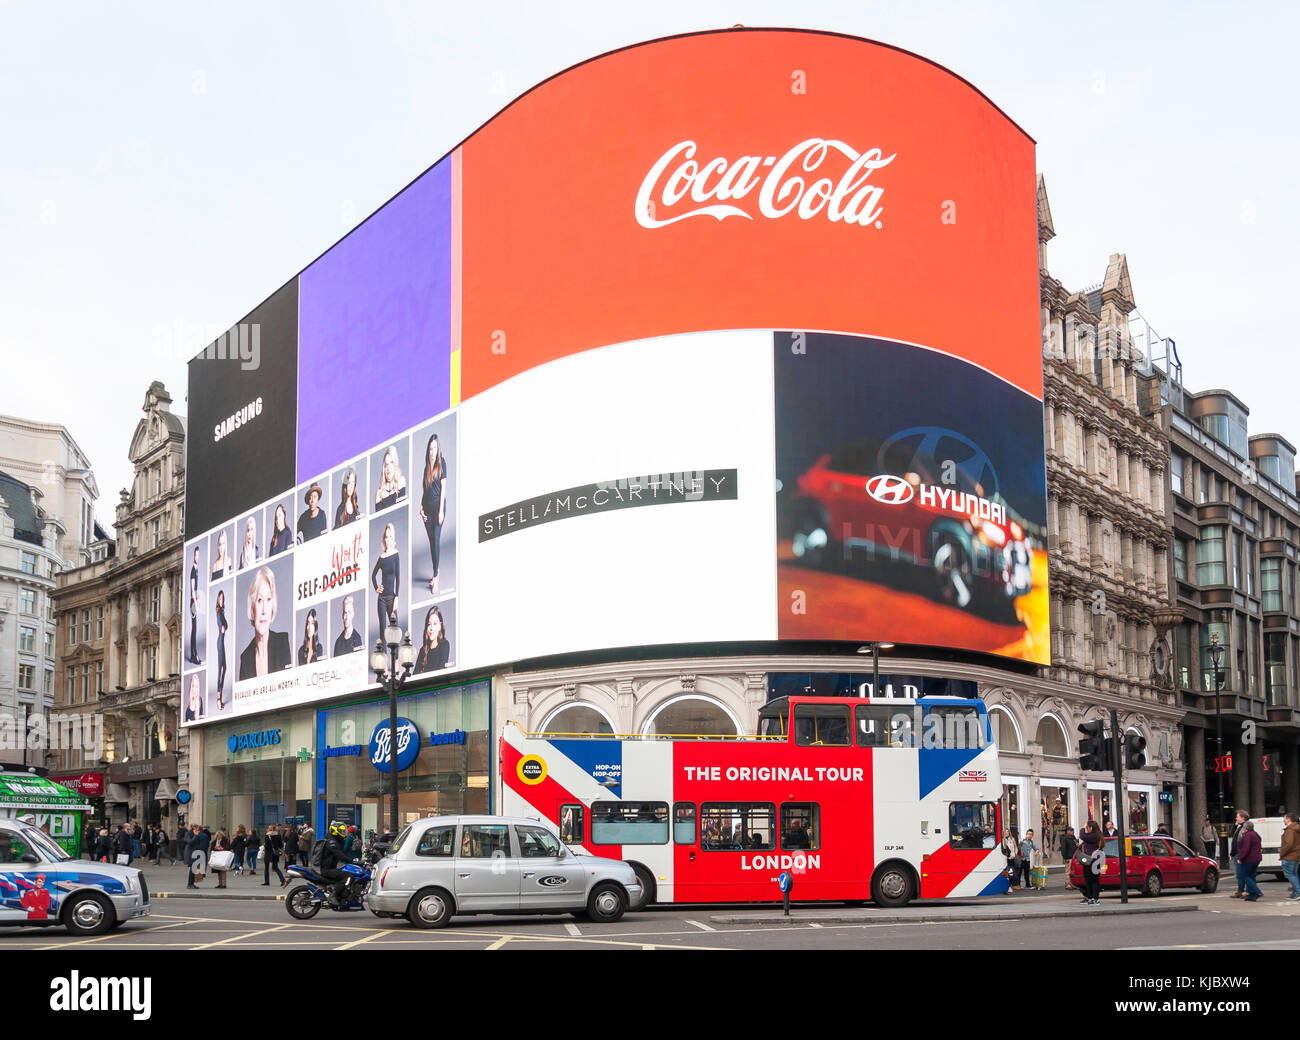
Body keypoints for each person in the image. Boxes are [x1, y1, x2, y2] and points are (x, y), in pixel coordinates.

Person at [238, 566, 292, 680]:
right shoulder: (245, 658)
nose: (264, 610)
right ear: (252, 607)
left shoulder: (282, 643)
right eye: (259, 600)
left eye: (268, 599)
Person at [418, 434, 448, 594]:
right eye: (430, 448)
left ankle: (436, 577)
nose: (432, 451)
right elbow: (425, 491)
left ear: (438, 449)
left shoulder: (441, 463)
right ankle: (435, 571)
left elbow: (443, 488)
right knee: (431, 543)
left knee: (435, 541)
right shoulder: (426, 469)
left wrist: (441, 510)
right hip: (427, 511)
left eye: (435, 448)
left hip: (437, 509)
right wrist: (421, 507)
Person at [317, 820, 360, 907]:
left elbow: (344, 853)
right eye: (341, 831)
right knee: (348, 877)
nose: (344, 833)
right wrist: (353, 861)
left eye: (344, 831)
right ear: (335, 831)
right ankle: (334, 896)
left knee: (345, 873)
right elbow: (340, 855)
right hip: (326, 869)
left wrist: (354, 860)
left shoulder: (335, 841)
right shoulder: (332, 842)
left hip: (329, 868)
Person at [371, 522, 400, 635]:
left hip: (391, 598)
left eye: (390, 537)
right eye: (386, 537)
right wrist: (376, 588)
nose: (387, 540)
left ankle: (395, 653)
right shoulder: (381, 558)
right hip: (382, 599)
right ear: (384, 539)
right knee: (382, 630)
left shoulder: (395, 554)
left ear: (392, 538)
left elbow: (398, 577)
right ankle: (383, 652)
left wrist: (396, 597)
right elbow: (373, 575)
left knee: (395, 629)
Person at [415, 605, 450, 672]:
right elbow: (415, 675)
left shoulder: (444, 645)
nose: (431, 628)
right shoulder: (422, 650)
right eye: (429, 624)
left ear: (440, 625)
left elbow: (441, 671)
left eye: (435, 624)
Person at [1236, 819, 1263, 902]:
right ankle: (1252, 896)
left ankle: (1257, 891)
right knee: (1251, 876)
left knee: (1243, 876)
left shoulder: (1247, 835)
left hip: (1249, 859)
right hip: (1257, 858)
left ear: (1245, 828)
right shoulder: (1255, 834)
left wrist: (1240, 858)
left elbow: (1245, 848)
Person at [374, 445, 406, 511]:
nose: (388, 468)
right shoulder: (379, 493)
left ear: (395, 464)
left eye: (391, 463)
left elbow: (402, 511)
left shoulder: (401, 481)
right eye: (386, 465)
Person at [1079, 820, 1103, 905]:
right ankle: (1089, 897)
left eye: (1087, 827)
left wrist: (1082, 827)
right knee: (1088, 880)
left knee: (1094, 880)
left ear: (1091, 828)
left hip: (1095, 860)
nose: (1086, 829)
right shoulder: (1092, 836)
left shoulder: (1095, 836)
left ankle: (1095, 898)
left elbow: (1082, 835)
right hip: (1089, 860)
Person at [1229, 809, 1250, 897]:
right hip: (1237, 854)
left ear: (1242, 818)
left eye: (1237, 817)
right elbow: (1232, 834)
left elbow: (1243, 842)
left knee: (1241, 874)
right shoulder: (1240, 827)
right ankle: (1241, 891)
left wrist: (1240, 855)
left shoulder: (1245, 828)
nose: (1236, 818)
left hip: (1239, 854)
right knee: (1240, 874)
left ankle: (1242, 891)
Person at [1280, 812, 1300, 900]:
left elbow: (1288, 844)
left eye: (1284, 818)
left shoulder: (1290, 830)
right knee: (1294, 874)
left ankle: (1298, 893)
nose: (1283, 820)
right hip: (1296, 855)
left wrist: (1282, 854)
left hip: (1289, 856)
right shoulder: (1296, 828)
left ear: (1288, 819)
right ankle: (1295, 893)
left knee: (1290, 875)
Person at [214, 589, 229, 709]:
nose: (222, 600)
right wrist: (223, 628)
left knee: (224, 668)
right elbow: (221, 625)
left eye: (223, 598)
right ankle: (218, 699)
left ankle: (220, 696)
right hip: (220, 641)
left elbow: (225, 626)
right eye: (220, 598)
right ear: (217, 600)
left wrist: (224, 628)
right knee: (220, 669)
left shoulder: (222, 612)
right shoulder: (218, 612)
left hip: (222, 642)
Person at [188, 546, 201, 664]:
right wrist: (196, 604)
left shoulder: (196, 569)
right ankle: (194, 655)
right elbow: (192, 589)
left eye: (198, 555)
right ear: (193, 556)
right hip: (193, 602)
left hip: (195, 600)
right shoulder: (193, 570)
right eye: (196, 555)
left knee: (195, 629)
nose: (197, 557)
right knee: (194, 629)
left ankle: (194, 655)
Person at [187, 823, 209, 889]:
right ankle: (191, 883)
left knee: (193, 869)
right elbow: (206, 846)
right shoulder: (205, 836)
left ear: (198, 829)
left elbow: (191, 843)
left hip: (196, 853)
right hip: (201, 853)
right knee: (194, 869)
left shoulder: (197, 835)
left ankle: (191, 883)